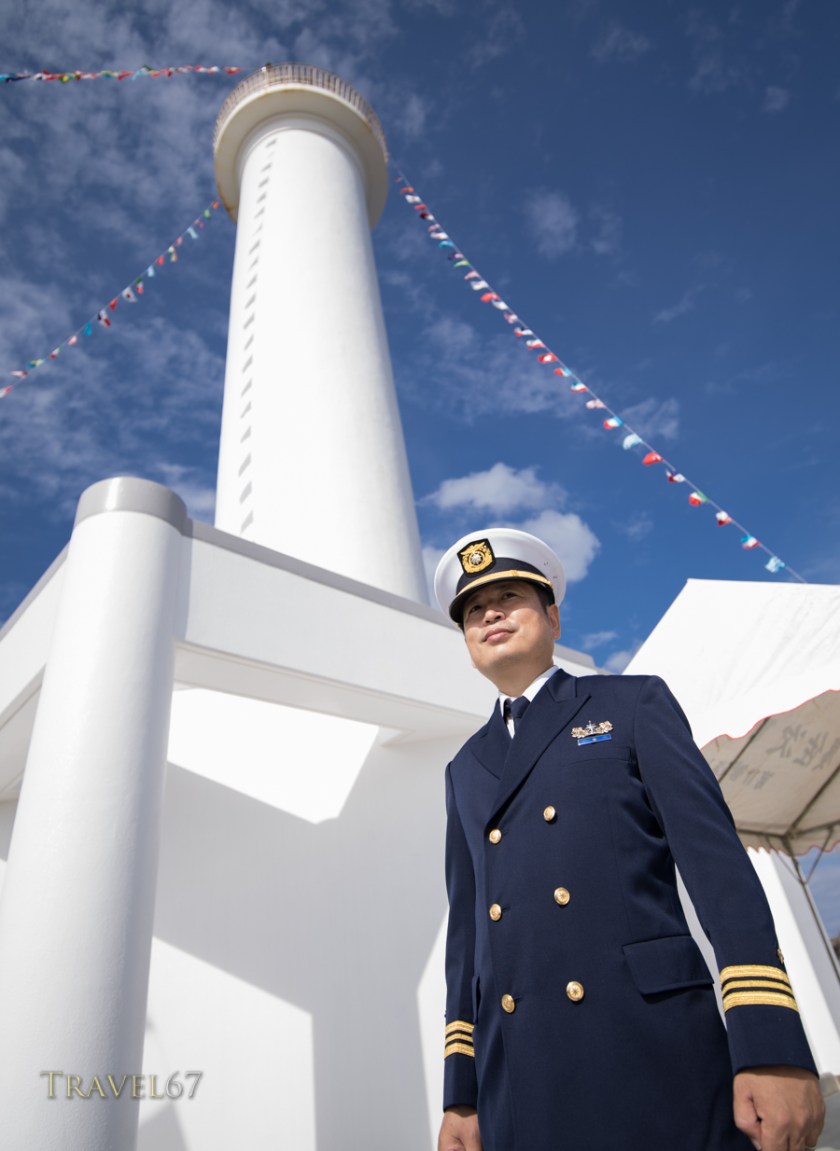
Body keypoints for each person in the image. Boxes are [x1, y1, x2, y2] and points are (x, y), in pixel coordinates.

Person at [433, 528, 824, 1151]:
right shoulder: (464, 769)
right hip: (518, 1078)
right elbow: (467, 938)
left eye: (509, 597)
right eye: (474, 611)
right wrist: (461, 1093)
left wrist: (771, 1044)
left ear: (553, 615)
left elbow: (719, 871)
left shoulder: (631, 704)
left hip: (647, 1045)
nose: (491, 614)